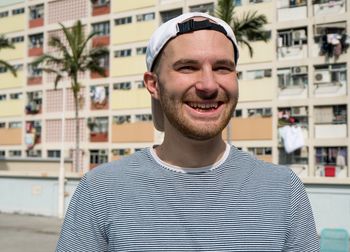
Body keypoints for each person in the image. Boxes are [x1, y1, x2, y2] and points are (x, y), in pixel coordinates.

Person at [56, 12, 319, 251]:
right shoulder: (100, 191)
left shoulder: (283, 189)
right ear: (154, 84)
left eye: (222, 68)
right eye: (187, 67)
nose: (208, 85)